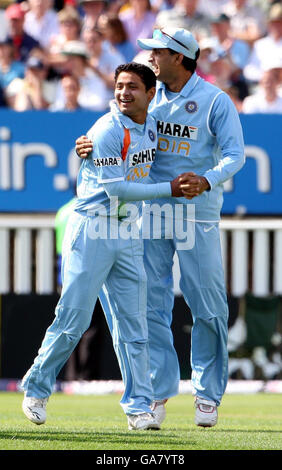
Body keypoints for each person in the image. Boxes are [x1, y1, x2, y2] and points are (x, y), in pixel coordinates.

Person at [76, 27, 245, 428]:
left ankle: (206, 393)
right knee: (150, 305)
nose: (151, 57)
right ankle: (157, 391)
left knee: (207, 305)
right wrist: (85, 145)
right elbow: (110, 131)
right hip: (150, 210)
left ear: (181, 57)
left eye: (158, 52)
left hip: (197, 214)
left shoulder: (214, 101)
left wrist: (207, 179)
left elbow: (236, 155)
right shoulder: (148, 95)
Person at [21, 61, 188, 431]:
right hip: (92, 228)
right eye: (119, 86)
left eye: (132, 87)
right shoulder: (107, 128)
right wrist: (169, 189)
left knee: (133, 324)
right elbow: (116, 189)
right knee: (73, 319)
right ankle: (36, 388)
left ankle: (138, 407)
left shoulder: (152, 127)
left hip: (128, 231)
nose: (124, 93)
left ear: (150, 94)